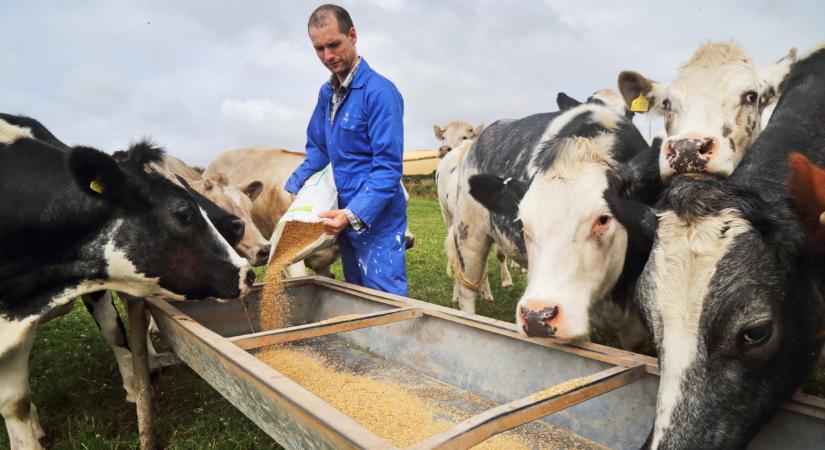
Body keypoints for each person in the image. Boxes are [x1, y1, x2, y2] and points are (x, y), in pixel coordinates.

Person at [284, 4, 408, 296]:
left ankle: (396, 341)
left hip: (375, 216)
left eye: (334, 44)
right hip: (341, 212)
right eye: (319, 49)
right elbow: (318, 149)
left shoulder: (380, 93)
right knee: (355, 293)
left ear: (352, 36)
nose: (328, 56)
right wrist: (297, 183)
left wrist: (353, 213)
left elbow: (388, 168)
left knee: (383, 297)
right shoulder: (327, 94)